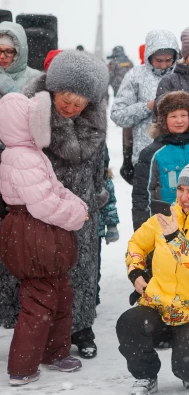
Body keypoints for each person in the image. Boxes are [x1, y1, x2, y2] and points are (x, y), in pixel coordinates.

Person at [18, 50, 109, 358]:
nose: (70, 108)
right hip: (41, 208)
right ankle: (46, 332)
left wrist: (97, 197)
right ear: (53, 90)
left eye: (79, 104)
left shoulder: (94, 125)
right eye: (65, 101)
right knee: (45, 272)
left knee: (82, 270)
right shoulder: (29, 116)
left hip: (82, 209)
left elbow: (100, 167)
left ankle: (81, 328)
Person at [117, 159, 189, 394]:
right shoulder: (166, 217)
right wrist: (136, 272)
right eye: (181, 189)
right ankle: (146, 375)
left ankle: (188, 353)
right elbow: (136, 244)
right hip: (158, 305)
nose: (183, 197)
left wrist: (176, 239)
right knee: (129, 323)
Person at [0, 92, 88, 386]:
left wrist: (75, 201)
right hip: (34, 234)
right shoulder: (21, 156)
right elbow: (43, 204)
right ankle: (22, 367)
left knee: (61, 293)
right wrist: (75, 213)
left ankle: (55, 352)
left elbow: (55, 187)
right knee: (39, 299)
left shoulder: (31, 153)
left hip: (42, 234)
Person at [132, 91, 189, 231]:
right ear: (164, 120)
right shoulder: (151, 153)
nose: (179, 120)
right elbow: (142, 196)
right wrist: (143, 232)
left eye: (183, 115)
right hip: (166, 226)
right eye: (173, 116)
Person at [111, 30, 180, 184]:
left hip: (180, 158)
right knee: (147, 206)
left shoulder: (182, 75)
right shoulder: (135, 76)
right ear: (149, 56)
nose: (163, 65)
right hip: (146, 159)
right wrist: (147, 107)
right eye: (158, 60)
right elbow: (117, 115)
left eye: (168, 60)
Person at [97, 161, 119, 306]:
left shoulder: (104, 178)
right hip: (75, 229)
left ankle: (93, 296)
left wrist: (111, 226)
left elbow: (110, 204)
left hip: (95, 231)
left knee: (94, 266)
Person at [0, 21, 40, 98]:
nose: (2, 56)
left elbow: (37, 108)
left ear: (19, 53)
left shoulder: (35, 78)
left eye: (9, 51)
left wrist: (13, 92)